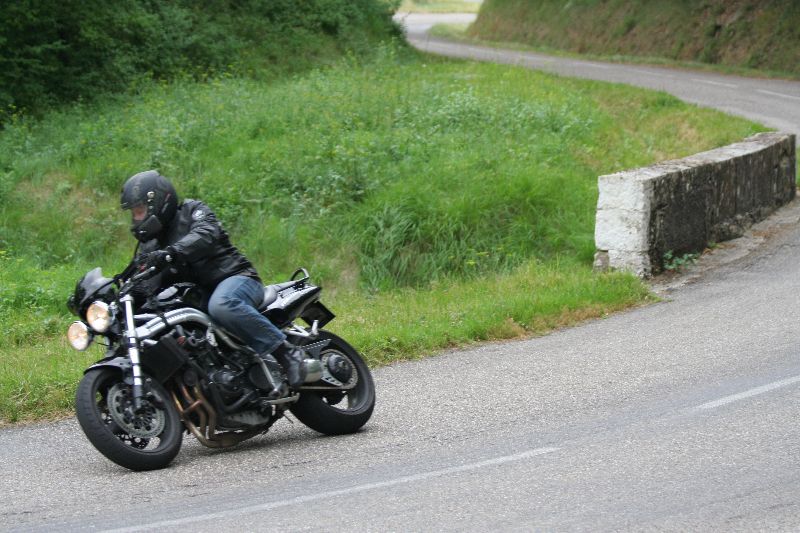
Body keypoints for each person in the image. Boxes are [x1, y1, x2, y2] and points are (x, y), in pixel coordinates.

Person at [118, 169, 309, 396]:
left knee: (222, 305)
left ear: (159, 202)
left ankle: (288, 353)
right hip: (199, 298)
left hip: (236, 279)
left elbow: (206, 233)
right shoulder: (150, 246)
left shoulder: (192, 211)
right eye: (134, 213)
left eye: (139, 210)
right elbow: (140, 279)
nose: (136, 218)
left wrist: (172, 253)